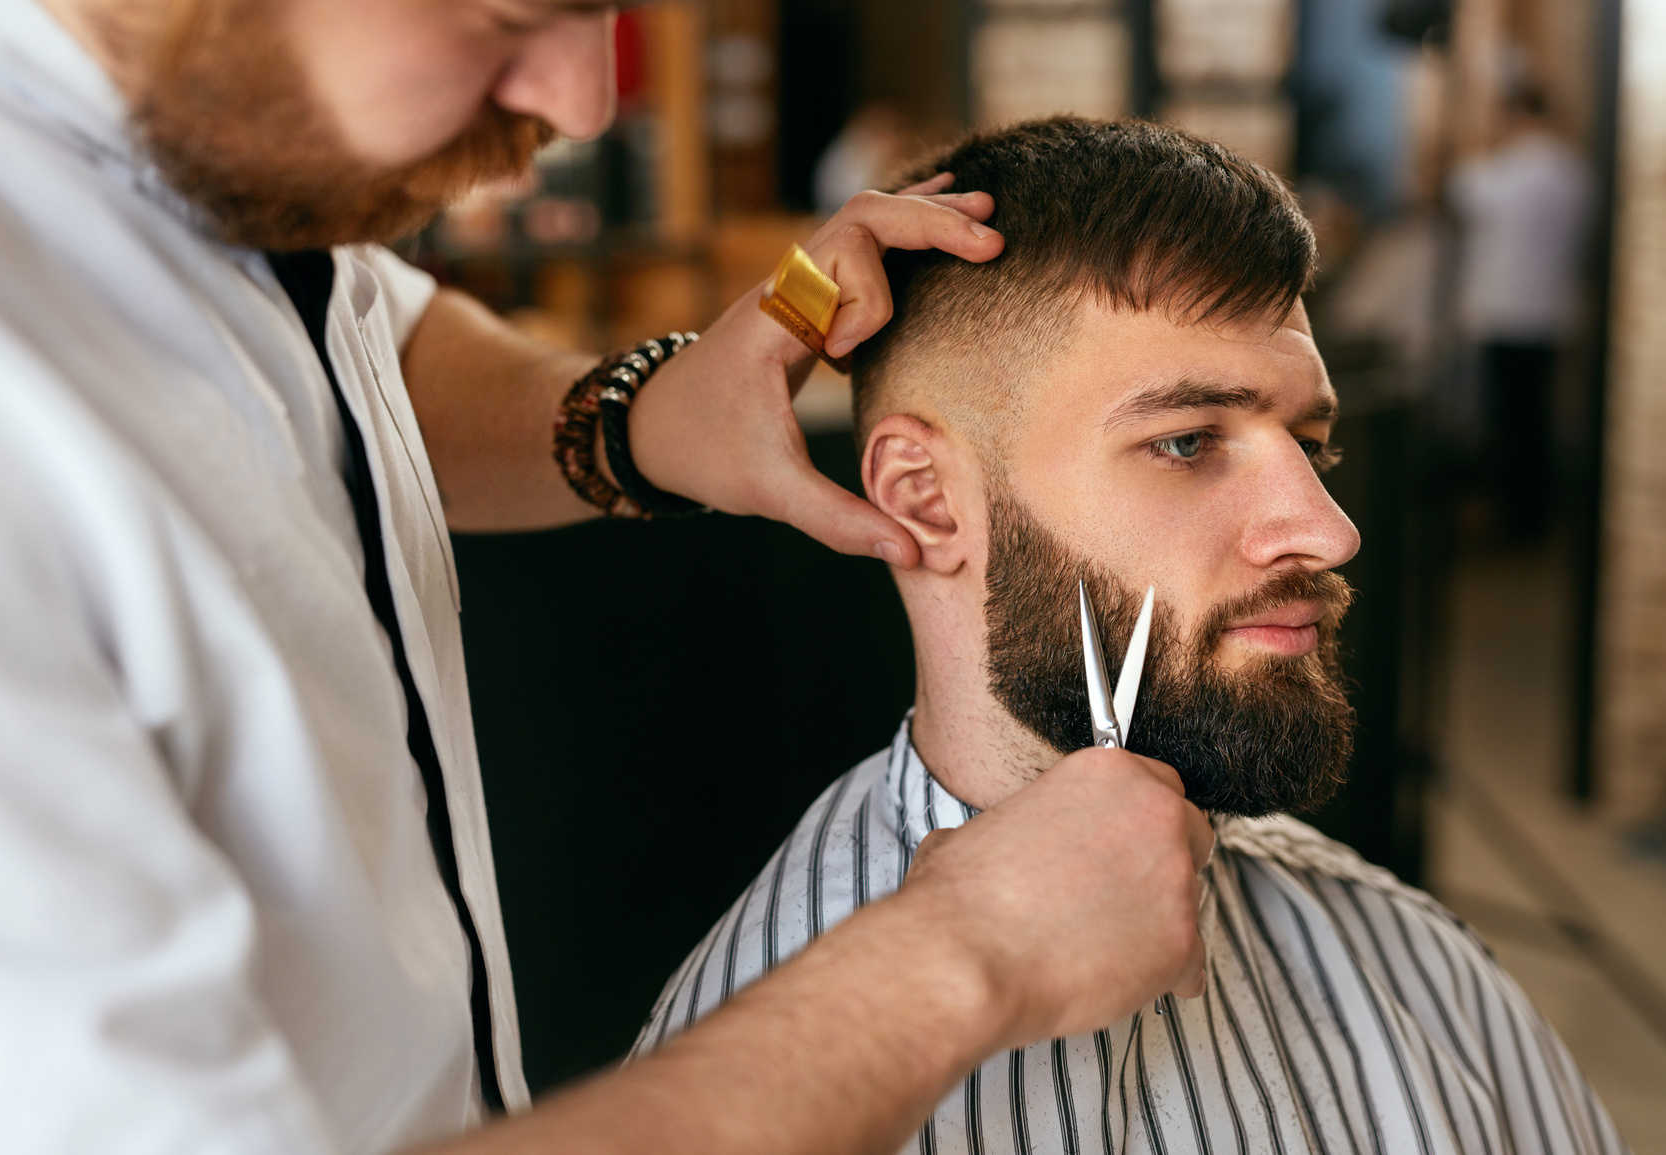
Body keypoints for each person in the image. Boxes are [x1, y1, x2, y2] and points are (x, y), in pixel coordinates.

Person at [0, 2, 1224, 1153]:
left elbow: (351, 343)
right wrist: (963, 957)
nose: (585, 100)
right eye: (515, 17)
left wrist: (644, 416)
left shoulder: (208, 146)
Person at [633, 119, 1626, 1155]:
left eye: (1312, 446)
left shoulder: (1406, 957)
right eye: (1186, 442)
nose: (1329, 533)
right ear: (926, 499)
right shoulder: (743, 1083)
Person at [1449, 84, 1593, 541]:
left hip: (1507, 313)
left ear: (1516, 115)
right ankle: (1532, 515)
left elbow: (1461, 190)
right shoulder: (1572, 171)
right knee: (1536, 417)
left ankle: (1516, 521)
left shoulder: (1511, 170)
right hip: (1550, 312)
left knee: (1511, 421)